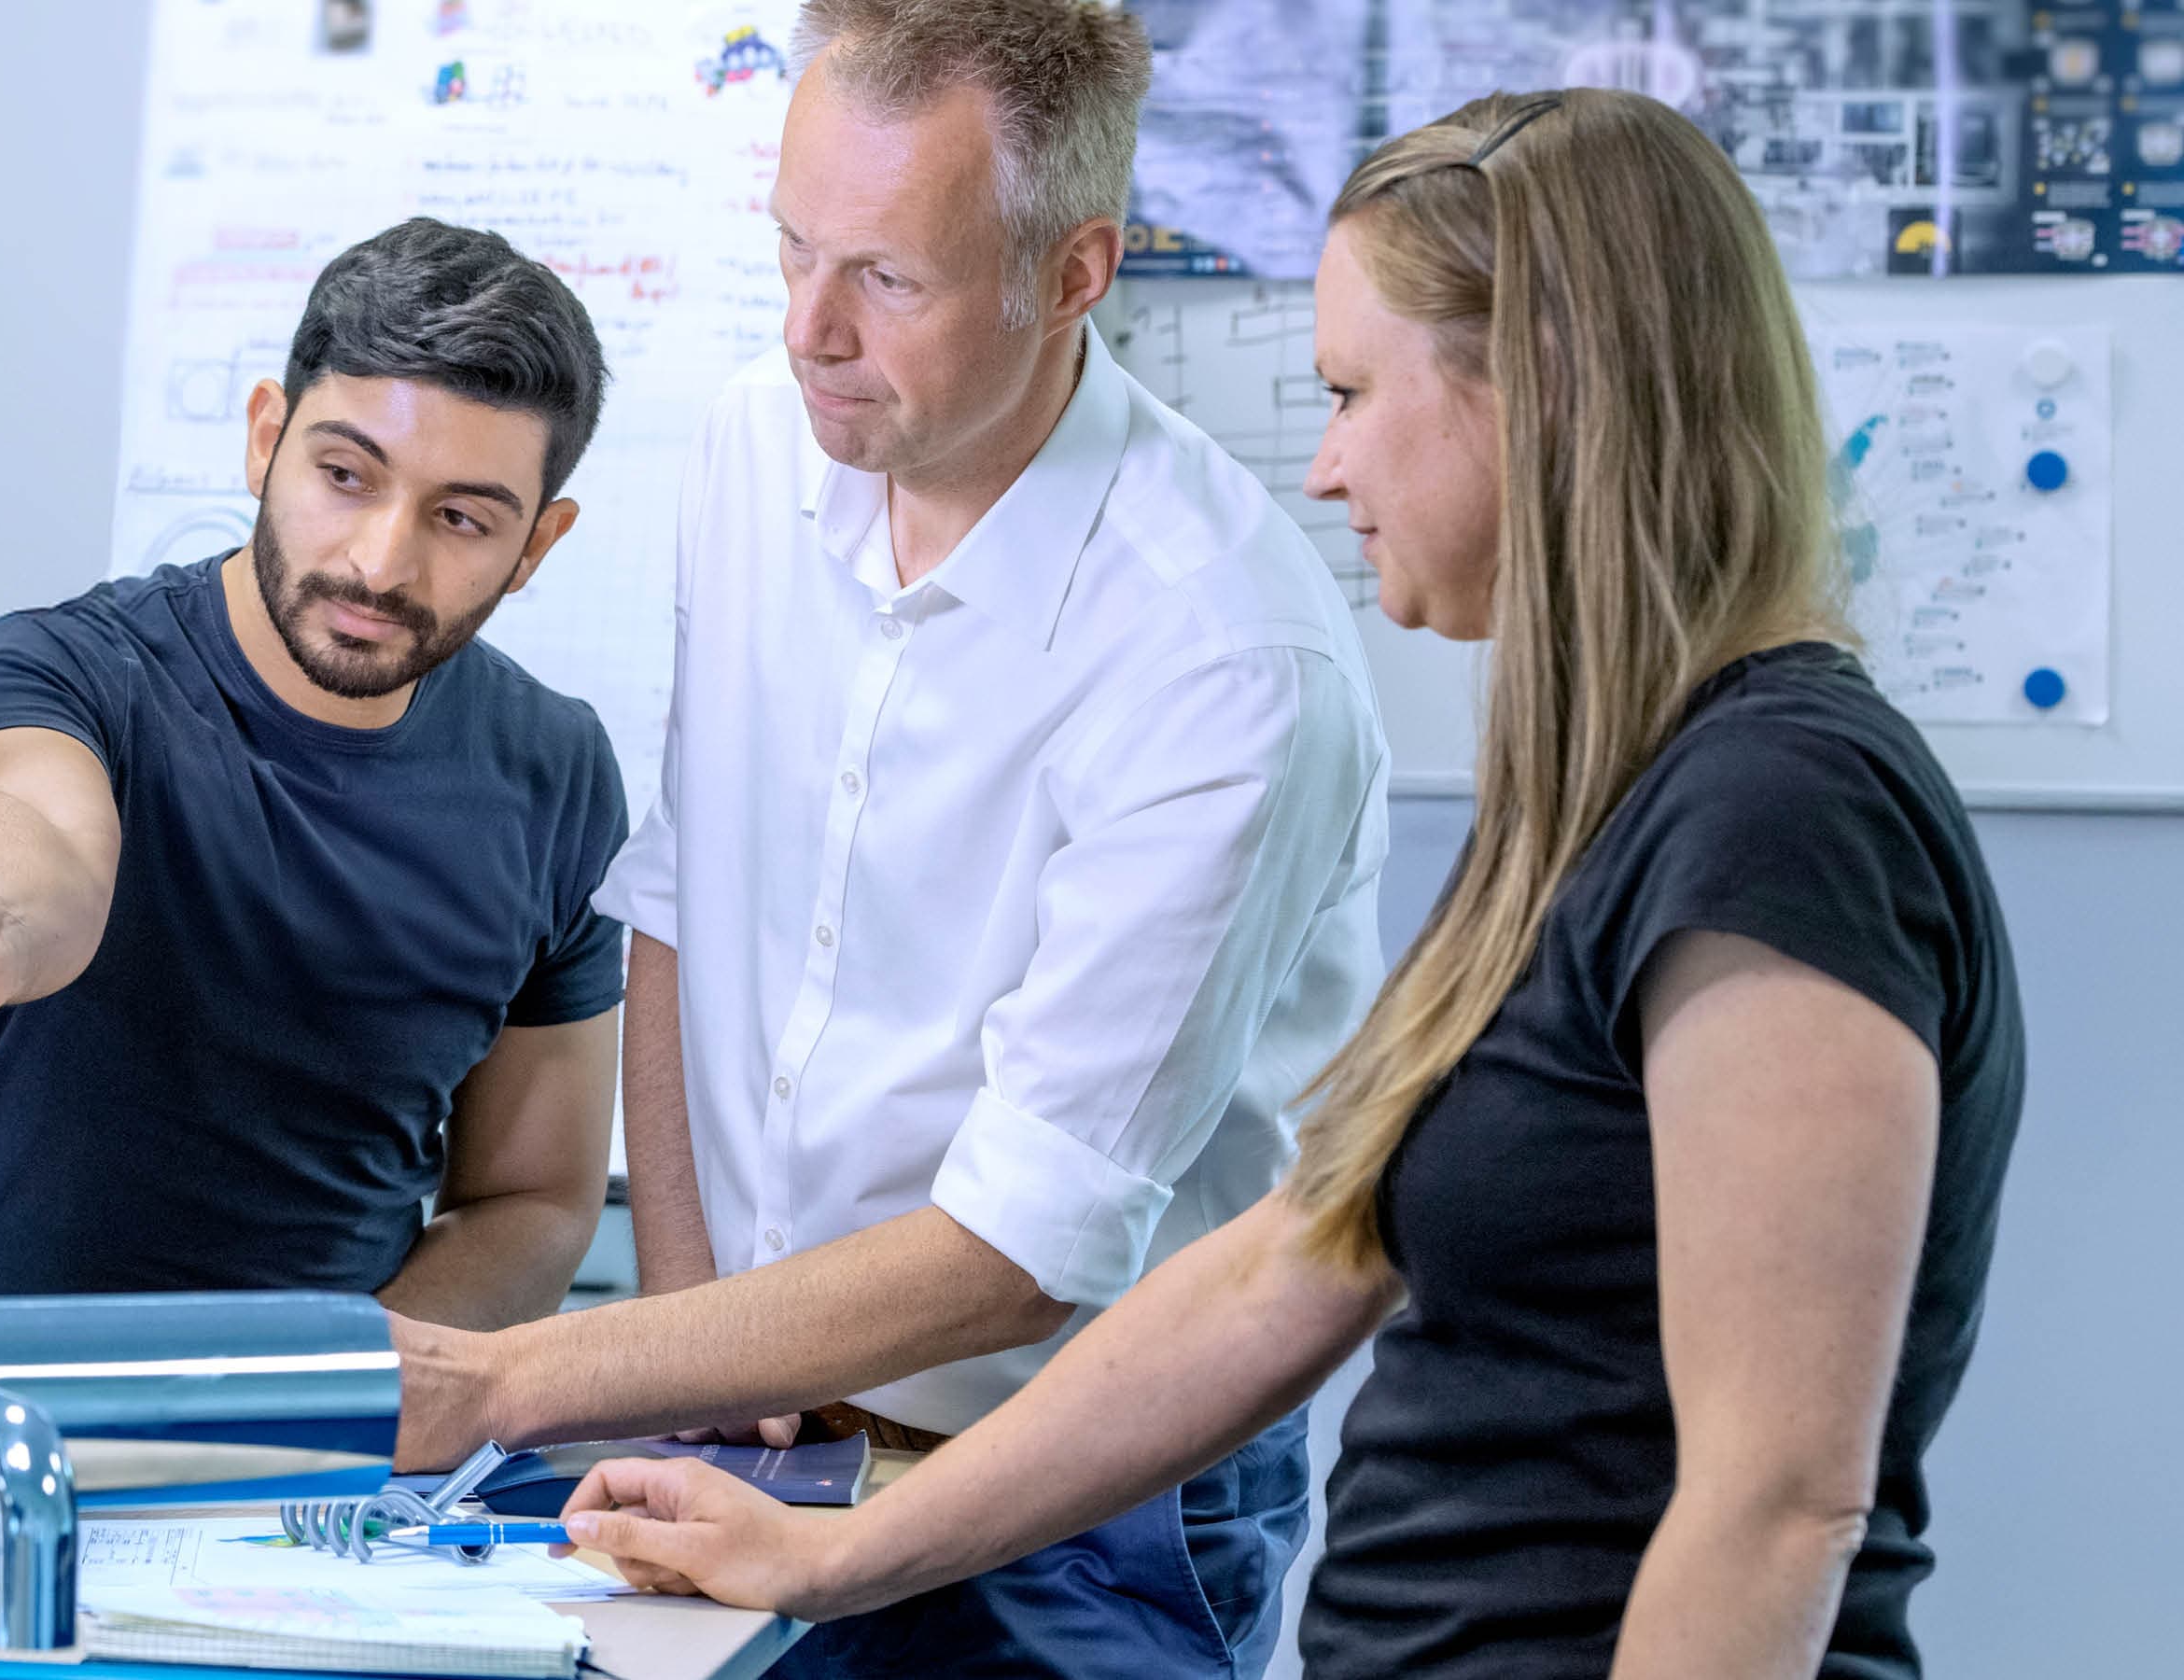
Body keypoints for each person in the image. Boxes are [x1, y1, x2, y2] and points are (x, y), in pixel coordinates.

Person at [547, 88, 2027, 1680]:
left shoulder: (1781, 813)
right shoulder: (1609, 801)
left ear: (1543, 396)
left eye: (1348, 393)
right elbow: (1289, 1265)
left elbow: (1775, 1507)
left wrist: (517, 1380)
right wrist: (835, 1557)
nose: (1324, 469)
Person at [395, 4, 1389, 1674]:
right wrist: (697, 1361)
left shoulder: (1221, 657)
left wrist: (520, 1379)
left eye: (889, 280)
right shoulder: (751, 440)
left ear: (1073, 273)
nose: (808, 330)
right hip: (748, 1425)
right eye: (790, 251)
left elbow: (1023, 1254)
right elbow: (686, 910)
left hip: (1070, 1495)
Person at [0, 217, 631, 1328]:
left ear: (536, 543)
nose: (379, 561)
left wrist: (342, 1399)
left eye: (460, 518)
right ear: (265, 438)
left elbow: (530, 1200)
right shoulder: (63, 671)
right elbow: (33, 838)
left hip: (325, 1464)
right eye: (344, 474)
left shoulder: (556, 770)